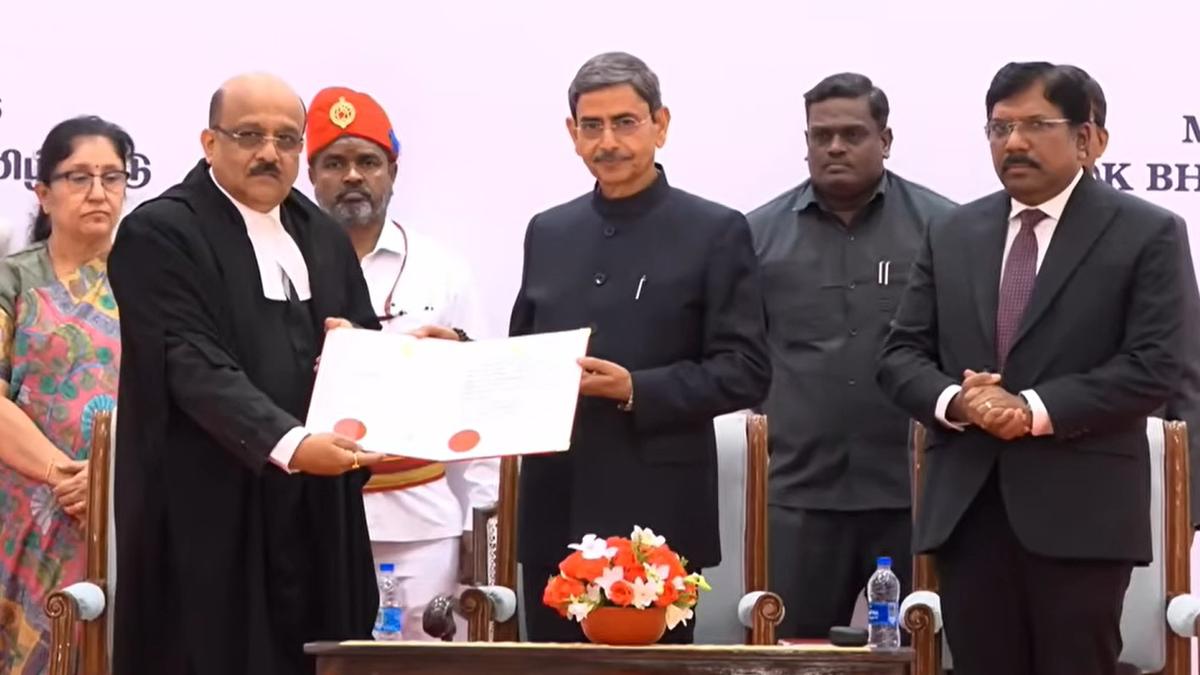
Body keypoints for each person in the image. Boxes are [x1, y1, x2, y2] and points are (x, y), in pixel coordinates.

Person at [877, 62, 1184, 675]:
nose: (1013, 142)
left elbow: (1155, 366)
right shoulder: (952, 231)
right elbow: (900, 355)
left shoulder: (1147, 233)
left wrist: (1033, 409)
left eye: (1036, 125)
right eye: (999, 128)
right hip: (968, 511)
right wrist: (960, 401)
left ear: (1086, 139)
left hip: (1083, 517)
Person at [108, 73, 388, 675]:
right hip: (210, 510)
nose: (269, 153)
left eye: (286, 139)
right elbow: (189, 361)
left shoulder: (322, 234)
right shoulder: (159, 233)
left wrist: (365, 354)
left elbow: (364, 337)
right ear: (210, 142)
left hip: (317, 514)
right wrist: (290, 444)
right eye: (249, 135)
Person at [510, 51, 771, 643]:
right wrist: (458, 353)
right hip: (557, 505)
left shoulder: (715, 230)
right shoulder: (548, 231)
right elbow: (523, 359)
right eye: (592, 125)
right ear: (572, 133)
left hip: (657, 519)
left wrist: (637, 389)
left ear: (661, 124)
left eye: (625, 122)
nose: (608, 141)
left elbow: (746, 370)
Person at [746, 73, 956, 639]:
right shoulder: (755, 237)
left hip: (913, 494)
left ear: (885, 140)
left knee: (920, 653)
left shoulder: (945, 229)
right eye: (822, 135)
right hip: (797, 496)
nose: (835, 147)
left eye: (852, 134)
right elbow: (742, 360)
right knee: (793, 653)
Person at [306, 86, 498, 640]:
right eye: (334, 163)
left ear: (392, 171)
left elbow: (480, 396)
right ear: (310, 174)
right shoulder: (284, 264)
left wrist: (480, 521)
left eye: (368, 162)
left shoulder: (442, 269)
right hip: (314, 516)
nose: (352, 176)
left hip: (424, 518)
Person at [0, 115, 131, 674]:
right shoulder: (13, 281)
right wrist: (68, 476)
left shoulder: (153, 284)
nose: (98, 192)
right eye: (79, 177)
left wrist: (108, 479)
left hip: (125, 510)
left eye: (112, 176)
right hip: (23, 515)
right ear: (43, 193)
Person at [1064, 64, 1200, 529]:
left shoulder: (1151, 232)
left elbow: (1183, 375)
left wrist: (1186, 504)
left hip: (1122, 479)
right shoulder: (976, 233)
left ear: (1093, 138)